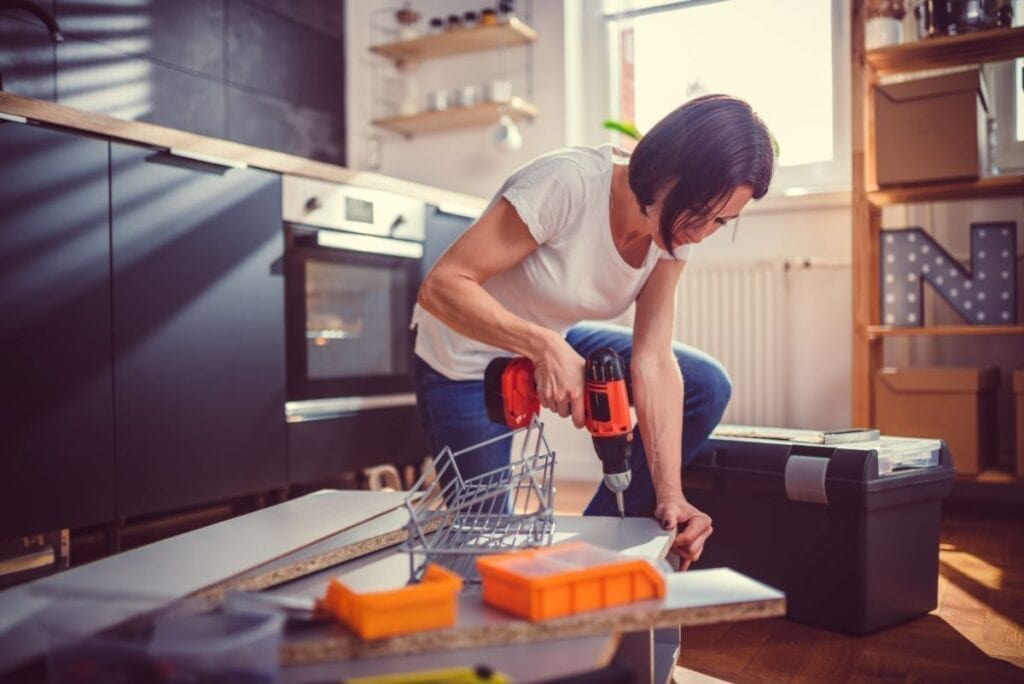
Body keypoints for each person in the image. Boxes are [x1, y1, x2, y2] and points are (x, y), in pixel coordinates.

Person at [411, 94, 775, 569]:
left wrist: (671, 496)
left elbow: (654, 359)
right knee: (485, 549)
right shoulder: (568, 183)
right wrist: (543, 345)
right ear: (666, 170)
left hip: (552, 334)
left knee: (705, 383)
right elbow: (442, 287)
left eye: (722, 221)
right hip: (461, 355)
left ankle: (587, 553)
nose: (702, 233)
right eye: (700, 211)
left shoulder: (673, 234)